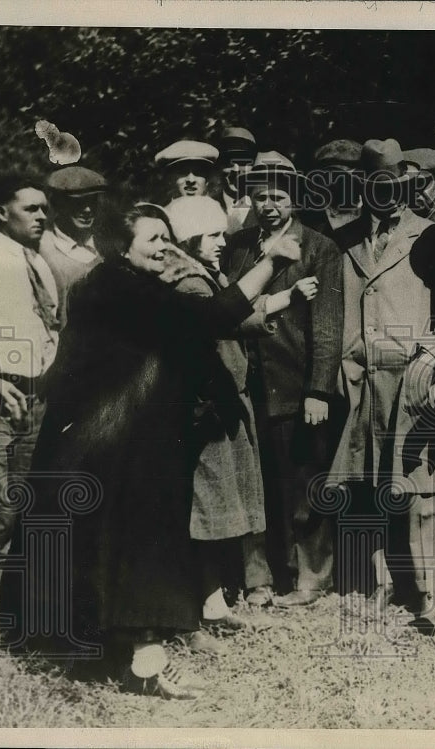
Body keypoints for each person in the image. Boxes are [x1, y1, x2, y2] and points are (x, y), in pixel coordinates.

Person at [16, 201, 294, 699]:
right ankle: (147, 664)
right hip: (122, 446)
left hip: (110, 440)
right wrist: (271, 261)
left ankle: (113, 653)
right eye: (152, 240)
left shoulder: (108, 284)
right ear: (122, 248)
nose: (164, 247)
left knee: (112, 550)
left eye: (167, 237)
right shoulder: (125, 287)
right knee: (141, 547)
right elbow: (215, 316)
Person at [330, 138, 435, 634]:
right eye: (373, 184)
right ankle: (380, 584)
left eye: (392, 185)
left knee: (421, 487)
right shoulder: (343, 241)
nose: (383, 194)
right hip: (360, 381)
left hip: (414, 378)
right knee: (368, 485)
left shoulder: (432, 237)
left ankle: (432, 597)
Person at [223, 152, 344, 607]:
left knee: (303, 483)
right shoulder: (239, 247)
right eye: (260, 196)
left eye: (277, 196)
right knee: (254, 484)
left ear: (294, 200)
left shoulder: (319, 248)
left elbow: (328, 325)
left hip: (296, 385)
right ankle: (260, 578)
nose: (268, 205)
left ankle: (311, 577)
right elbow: (225, 309)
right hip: (245, 384)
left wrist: (319, 389)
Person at [162, 196, 274, 631]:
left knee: (212, 510)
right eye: (211, 236)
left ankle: (211, 602)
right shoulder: (190, 284)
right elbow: (221, 321)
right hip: (202, 411)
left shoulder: (208, 275)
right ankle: (200, 603)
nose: (220, 244)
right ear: (188, 239)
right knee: (203, 510)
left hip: (217, 407)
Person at [0, 174, 59, 664]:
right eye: (31, 208)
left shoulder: (41, 260)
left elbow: (51, 324)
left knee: (31, 504)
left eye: (44, 208)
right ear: (2, 213)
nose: (42, 216)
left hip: (38, 395)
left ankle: (20, 613)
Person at [38, 166, 109, 327]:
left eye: (92, 201)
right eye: (78, 203)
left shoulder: (107, 245)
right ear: (57, 204)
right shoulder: (42, 250)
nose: (87, 210)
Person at [216, 127, 259, 235]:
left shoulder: (267, 207)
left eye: (242, 162)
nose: (235, 170)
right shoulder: (207, 207)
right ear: (219, 167)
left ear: (253, 167)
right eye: (228, 163)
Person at [154, 139, 220, 203]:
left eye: (199, 172)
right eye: (182, 172)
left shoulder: (218, 212)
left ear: (207, 180)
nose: (191, 180)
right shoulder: (159, 213)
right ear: (169, 179)